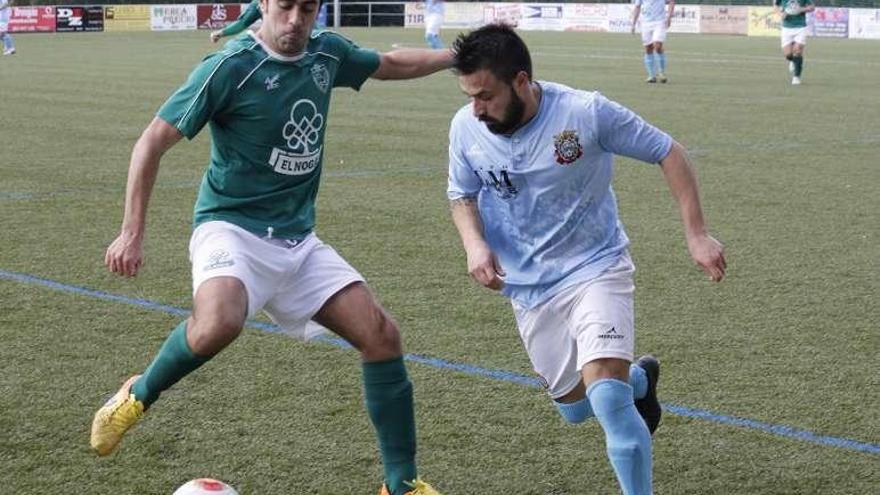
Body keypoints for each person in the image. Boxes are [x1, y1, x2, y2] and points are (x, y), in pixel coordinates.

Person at [90, 0, 452, 494]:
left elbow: (388, 64)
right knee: (219, 322)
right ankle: (138, 394)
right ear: (264, 4)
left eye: (307, 8)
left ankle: (402, 484)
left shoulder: (326, 53)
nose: (296, 19)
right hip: (231, 227)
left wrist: (455, 56)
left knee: (382, 336)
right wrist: (131, 231)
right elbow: (151, 142)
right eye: (286, 6)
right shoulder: (229, 67)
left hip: (297, 238)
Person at [446, 24, 726, 495]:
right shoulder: (465, 127)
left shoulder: (585, 112)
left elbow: (668, 151)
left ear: (520, 81)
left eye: (486, 96)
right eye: (470, 96)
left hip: (597, 267)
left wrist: (696, 234)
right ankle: (640, 380)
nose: (477, 108)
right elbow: (461, 195)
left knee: (609, 401)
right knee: (576, 408)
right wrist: (474, 244)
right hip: (530, 287)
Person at [631, 0, 674, 83]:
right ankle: (651, 75)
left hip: (660, 21)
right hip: (646, 23)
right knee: (648, 48)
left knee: (657, 45)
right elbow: (637, 7)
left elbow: (671, 1)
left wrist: (669, 17)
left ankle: (661, 73)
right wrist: (633, 24)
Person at [774, 0, 814, 85]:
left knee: (798, 50)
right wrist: (781, 14)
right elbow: (776, 6)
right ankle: (793, 61)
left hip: (800, 27)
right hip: (786, 28)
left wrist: (801, 9)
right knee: (788, 54)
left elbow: (812, 7)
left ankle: (796, 77)